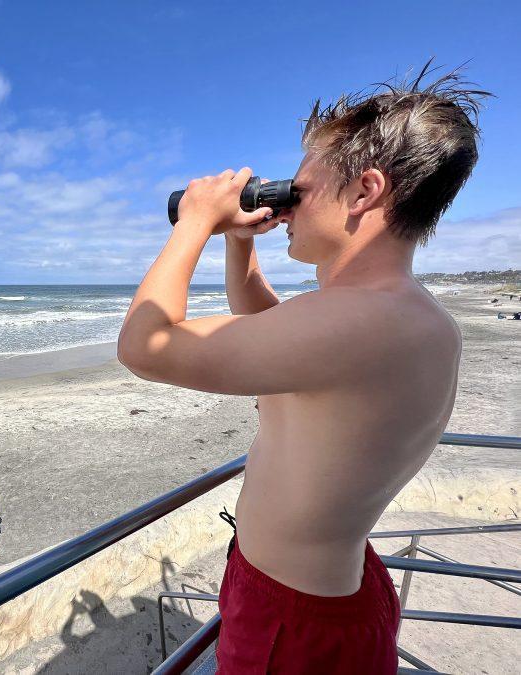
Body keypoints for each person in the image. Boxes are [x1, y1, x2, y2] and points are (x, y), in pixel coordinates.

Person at [117, 62, 486, 674]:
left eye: (301, 189)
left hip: (295, 623)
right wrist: (240, 241)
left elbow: (143, 345)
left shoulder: (367, 324)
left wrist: (197, 223)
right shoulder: (391, 317)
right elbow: (270, 331)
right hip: (313, 593)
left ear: (365, 192)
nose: (288, 202)